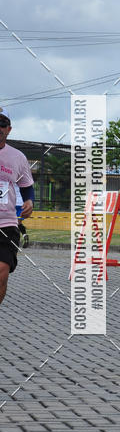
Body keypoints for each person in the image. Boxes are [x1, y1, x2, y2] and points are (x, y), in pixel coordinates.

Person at [0, 108, 34, 305]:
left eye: (2, 124)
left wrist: (29, 201)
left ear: (9, 129)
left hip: (6, 224)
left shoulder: (17, 157)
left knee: (2, 273)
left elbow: (27, 187)